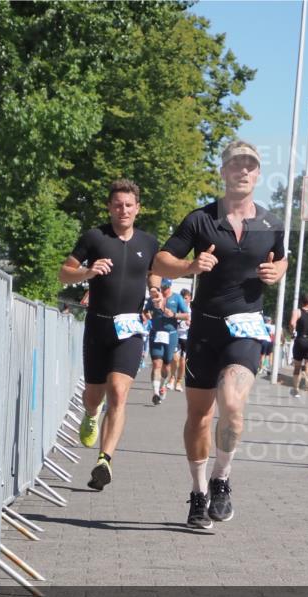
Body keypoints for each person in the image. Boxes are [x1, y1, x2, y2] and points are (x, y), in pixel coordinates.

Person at [152, 139, 287, 529]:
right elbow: (162, 260)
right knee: (199, 415)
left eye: (250, 165)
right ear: (224, 172)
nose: (242, 171)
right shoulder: (201, 220)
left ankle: (222, 478)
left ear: (258, 174)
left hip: (246, 328)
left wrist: (278, 272)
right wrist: (190, 266)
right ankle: (197, 493)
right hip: (205, 330)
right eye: (235, 165)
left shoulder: (270, 224)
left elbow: (282, 260)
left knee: (232, 405)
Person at [58, 179, 158, 490]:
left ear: (137, 208)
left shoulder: (149, 242)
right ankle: (90, 414)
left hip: (129, 330)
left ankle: (105, 460)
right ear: (109, 207)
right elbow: (64, 272)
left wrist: (155, 289)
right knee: (94, 395)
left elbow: (154, 270)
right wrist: (87, 272)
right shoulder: (94, 237)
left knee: (118, 391)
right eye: (117, 205)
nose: (123, 210)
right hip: (98, 327)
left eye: (129, 205)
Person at [144, 279, 190, 404]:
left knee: (167, 365)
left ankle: (163, 385)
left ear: (170, 286)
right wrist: (147, 315)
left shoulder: (177, 298)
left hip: (171, 335)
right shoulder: (153, 298)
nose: (164, 291)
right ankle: (155, 392)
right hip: (156, 334)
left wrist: (174, 315)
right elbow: (145, 311)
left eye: (166, 288)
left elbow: (186, 315)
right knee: (156, 363)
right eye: (162, 288)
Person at [171, 288, 193, 391]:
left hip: (186, 338)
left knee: (183, 361)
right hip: (176, 336)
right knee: (175, 359)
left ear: (190, 299)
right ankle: (172, 378)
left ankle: (179, 382)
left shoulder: (192, 311)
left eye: (186, 298)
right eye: (182, 298)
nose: (184, 300)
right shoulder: (177, 309)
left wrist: (191, 324)